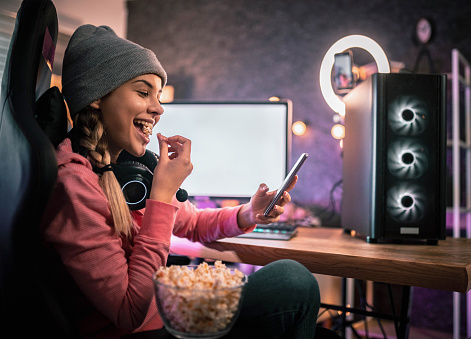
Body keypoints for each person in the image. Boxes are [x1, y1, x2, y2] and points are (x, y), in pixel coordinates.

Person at [40, 24, 320, 338]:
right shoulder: (73, 185)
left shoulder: (129, 168)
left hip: (169, 315)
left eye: (157, 96)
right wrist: (160, 195)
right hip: (142, 331)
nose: (158, 108)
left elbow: (194, 224)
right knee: (292, 281)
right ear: (96, 96)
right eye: (143, 92)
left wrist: (249, 212)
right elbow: (129, 311)